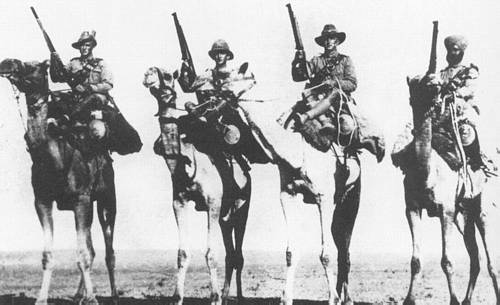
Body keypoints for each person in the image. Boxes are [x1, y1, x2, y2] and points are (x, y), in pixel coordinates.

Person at [291, 24, 385, 162]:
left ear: (337, 41)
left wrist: (335, 83)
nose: (328, 41)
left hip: (338, 101)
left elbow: (352, 84)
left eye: (332, 38)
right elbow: (299, 76)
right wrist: (297, 61)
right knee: (291, 117)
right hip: (316, 100)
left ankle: (362, 142)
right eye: (326, 39)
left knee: (347, 125)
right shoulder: (316, 61)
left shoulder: (345, 60)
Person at [50, 30, 142, 155]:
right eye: (82, 45)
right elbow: (58, 77)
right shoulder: (73, 63)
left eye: (87, 45)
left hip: (97, 101)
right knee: (55, 99)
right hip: (78, 100)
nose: (84, 48)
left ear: (92, 46)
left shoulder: (101, 64)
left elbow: (108, 84)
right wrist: (54, 61)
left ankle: (66, 118)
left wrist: (90, 88)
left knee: (93, 100)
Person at [437, 35, 495, 174]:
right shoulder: (442, 73)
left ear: (462, 52)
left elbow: (470, 88)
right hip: (444, 111)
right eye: (450, 50)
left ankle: (479, 162)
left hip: (463, 108)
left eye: (455, 50)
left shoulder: (469, 70)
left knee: (467, 130)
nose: (452, 52)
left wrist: (457, 94)